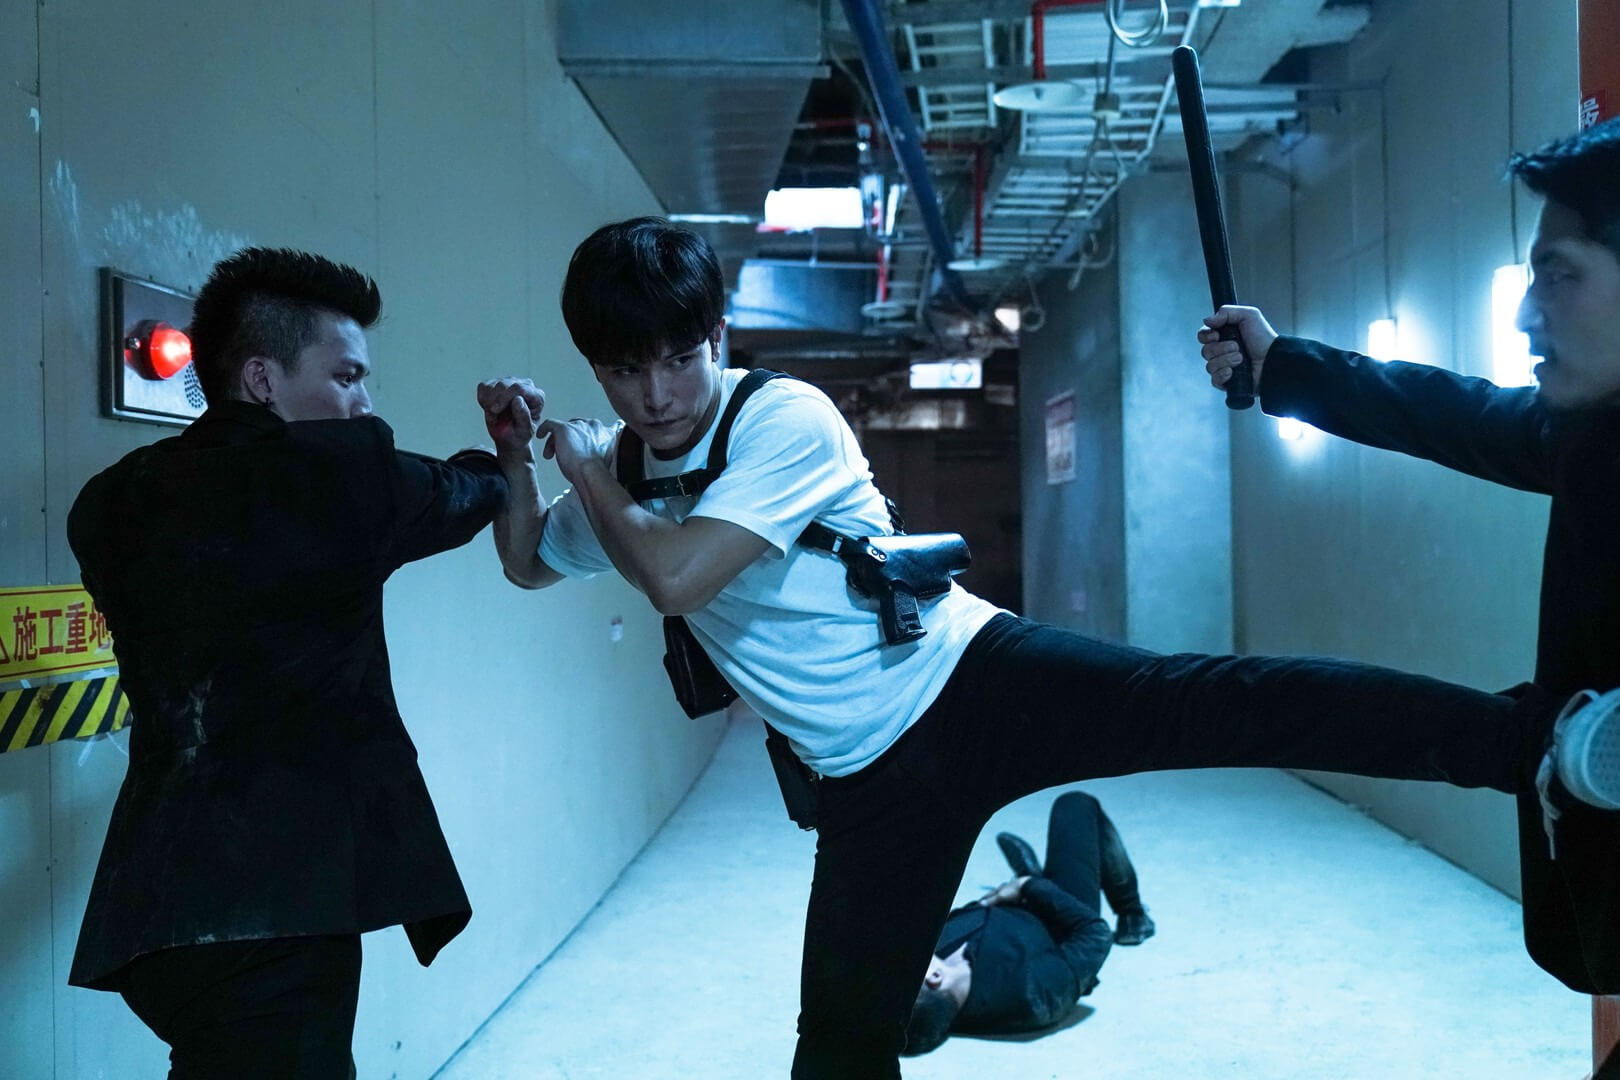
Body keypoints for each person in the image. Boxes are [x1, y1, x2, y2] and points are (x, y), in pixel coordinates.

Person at [479, 215, 1620, 1079]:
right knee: (837, 1047)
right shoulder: (620, 479)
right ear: (596, 367)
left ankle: (1525, 740)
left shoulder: (779, 418)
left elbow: (675, 575)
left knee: (1219, 700)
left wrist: (583, 465)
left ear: (717, 337)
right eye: (625, 372)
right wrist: (522, 462)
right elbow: (529, 562)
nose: (657, 394)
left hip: (970, 682)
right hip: (867, 785)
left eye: (679, 358)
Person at [1197, 119, 1620, 1020]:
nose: (1526, 313)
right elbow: (1463, 414)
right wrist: (1285, 366)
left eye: (1561, 274)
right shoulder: (1596, 436)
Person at [66, 248, 515, 1078]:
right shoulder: (338, 477)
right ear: (262, 380)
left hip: (154, 901)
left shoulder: (108, 501)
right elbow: (463, 493)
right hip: (282, 906)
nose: (362, 402)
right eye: (346, 376)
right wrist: (501, 453)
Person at [903, 790, 1154, 1055]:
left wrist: (1000, 895)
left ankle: (1029, 874)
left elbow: (967, 918)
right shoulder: (1033, 994)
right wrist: (1029, 886)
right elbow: (1095, 934)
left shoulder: (935, 982)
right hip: (1066, 916)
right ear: (935, 977)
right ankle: (1133, 914)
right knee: (1075, 804)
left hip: (1012, 906)